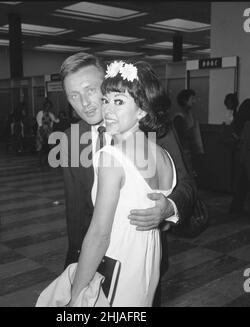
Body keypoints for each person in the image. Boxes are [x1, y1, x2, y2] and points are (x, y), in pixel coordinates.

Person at [59, 53, 196, 306]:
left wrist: (169, 208)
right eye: (73, 96)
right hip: (90, 265)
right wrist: (74, 271)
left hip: (140, 262)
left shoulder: (155, 130)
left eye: (91, 91)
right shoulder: (70, 138)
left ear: (108, 82)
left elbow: (186, 183)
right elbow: (76, 212)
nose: (85, 103)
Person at [173, 89, 204, 174]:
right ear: (185, 100)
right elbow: (182, 136)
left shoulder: (190, 114)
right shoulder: (179, 117)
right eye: (192, 99)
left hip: (190, 151)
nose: (194, 101)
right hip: (184, 152)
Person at [36, 98, 59, 163]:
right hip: (41, 130)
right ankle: (40, 161)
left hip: (49, 131)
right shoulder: (40, 113)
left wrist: (55, 115)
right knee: (39, 146)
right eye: (47, 105)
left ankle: (52, 160)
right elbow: (39, 122)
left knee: (52, 145)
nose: (48, 107)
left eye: (49, 106)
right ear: (44, 106)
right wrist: (41, 130)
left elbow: (56, 121)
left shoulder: (51, 114)